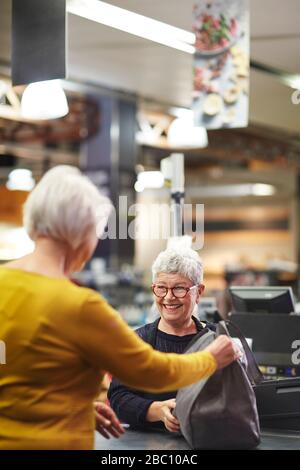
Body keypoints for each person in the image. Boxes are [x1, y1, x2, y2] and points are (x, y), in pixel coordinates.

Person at [0, 165, 240, 450]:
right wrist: (211, 358)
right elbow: (151, 371)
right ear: (81, 230)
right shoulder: (79, 305)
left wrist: (76, 405)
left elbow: (20, 374)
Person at [108, 248, 215, 433]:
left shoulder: (216, 340)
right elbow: (119, 397)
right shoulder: (137, 341)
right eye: (161, 288)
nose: (168, 297)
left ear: (199, 292)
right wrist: (156, 411)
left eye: (179, 288)